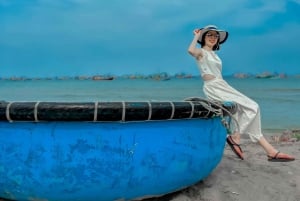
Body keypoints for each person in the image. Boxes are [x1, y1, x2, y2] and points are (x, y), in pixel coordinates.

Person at [187, 25, 295, 162]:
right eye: (210, 35)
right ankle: (235, 137)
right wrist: (196, 35)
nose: (213, 38)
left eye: (215, 36)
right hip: (214, 87)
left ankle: (270, 151)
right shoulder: (201, 52)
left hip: (222, 85)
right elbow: (190, 50)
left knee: (243, 112)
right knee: (253, 107)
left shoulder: (214, 54)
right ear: (203, 38)